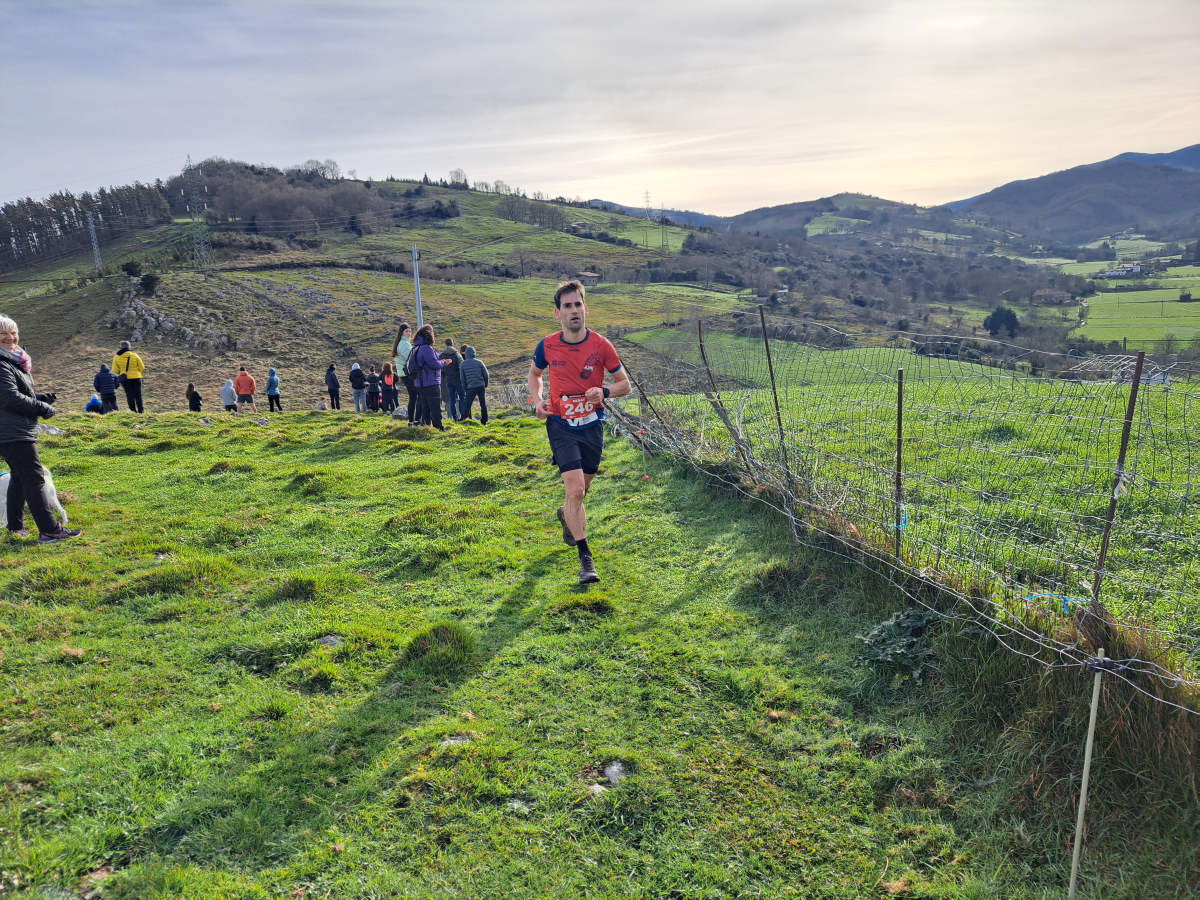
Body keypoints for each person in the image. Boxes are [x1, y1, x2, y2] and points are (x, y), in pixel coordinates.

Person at [528, 280, 630, 585]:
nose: (574, 311)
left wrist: (606, 393)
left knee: (581, 491)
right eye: (567, 306)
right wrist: (537, 401)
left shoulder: (601, 345)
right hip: (560, 425)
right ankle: (586, 559)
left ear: (585, 308)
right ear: (558, 313)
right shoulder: (547, 345)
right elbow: (535, 375)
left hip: (591, 426)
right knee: (574, 490)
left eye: (578, 304)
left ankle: (567, 514)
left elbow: (625, 383)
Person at [0, 315, 81, 543]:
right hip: (11, 432)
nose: (10, 337)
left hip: (11, 430)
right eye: (3, 334)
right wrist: (42, 408)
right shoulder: (2, 363)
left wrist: (39, 397)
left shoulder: (11, 361)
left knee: (19, 477)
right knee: (34, 478)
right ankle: (50, 530)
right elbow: (9, 399)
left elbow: (12, 394)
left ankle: (15, 527)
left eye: (13, 332)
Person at [411, 324, 449, 430]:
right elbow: (435, 364)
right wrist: (444, 362)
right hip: (430, 382)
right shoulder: (426, 348)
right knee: (435, 407)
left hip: (420, 383)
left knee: (425, 406)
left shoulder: (416, 348)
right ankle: (438, 428)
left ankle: (426, 427)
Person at [111, 340, 145, 413]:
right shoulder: (135, 355)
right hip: (136, 378)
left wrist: (122, 371)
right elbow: (142, 367)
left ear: (121, 347)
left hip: (125, 379)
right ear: (129, 347)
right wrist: (137, 372)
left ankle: (133, 411)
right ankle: (141, 411)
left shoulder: (116, 357)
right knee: (138, 395)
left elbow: (115, 371)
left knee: (129, 396)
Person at [459, 345, 490, 424]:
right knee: (483, 404)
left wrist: (465, 388)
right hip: (480, 386)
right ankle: (484, 421)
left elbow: (462, 378)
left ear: (466, 354)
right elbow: (486, 374)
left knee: (467, 404)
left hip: (471, 387)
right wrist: (485, 384)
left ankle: (464, 419)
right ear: (474, 353)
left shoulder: (463, 364)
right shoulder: (479, 362)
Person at [393, 323, 417, 421]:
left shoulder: (404, 342)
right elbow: (411, 358)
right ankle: (412, 419)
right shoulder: (404, 344)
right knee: (414, 396)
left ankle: (412, 419)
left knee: (414, 396)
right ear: (402, 333)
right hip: (407, 373)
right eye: (407, 331)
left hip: (404, 373)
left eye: (410, 331)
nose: (409, 333)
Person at [440, 338, 465, 421]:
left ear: (446, 344)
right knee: (462, 397)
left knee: (452, 399)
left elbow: (440, 367)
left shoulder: (442, 355)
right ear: (452, 344)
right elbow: (462, 366)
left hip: (448, 380)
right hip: (458, 379)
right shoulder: (457, 354)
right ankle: (463, 416)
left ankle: (454, 417)